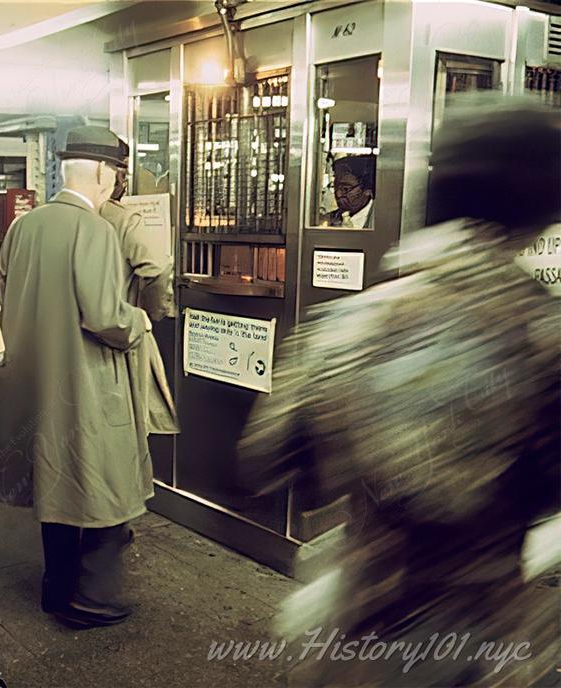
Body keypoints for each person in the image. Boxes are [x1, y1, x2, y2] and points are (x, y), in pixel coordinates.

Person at [238, 98, 560, 686]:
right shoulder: (547, 337)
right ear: (542, 213)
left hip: (360, 634)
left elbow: (265, 459)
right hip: (483, 644)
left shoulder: (353, 323)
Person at [0, 126, 152, 629]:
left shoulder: (25, 226)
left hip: (32, 379)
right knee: (103, 481)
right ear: (105, 175)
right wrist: (140, 321)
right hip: (83, 382)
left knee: (52, 484)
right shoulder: (96, 229)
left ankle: (54, 587)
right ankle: (89, 596)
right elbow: (105, 316)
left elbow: (6, 286)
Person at [99, 139, 179, 438]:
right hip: (119, 335)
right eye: (123, 173)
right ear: (111, 174)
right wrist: (148, 314)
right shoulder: (122, 219)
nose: (125, 182)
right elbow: (157, 270)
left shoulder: (43, 219)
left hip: (67, 342)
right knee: (126, 420)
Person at [323, 154, 376, 228]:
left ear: (367, 190)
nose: (338, 194)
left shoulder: (379, 220)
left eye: (345, 189)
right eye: (335, 187)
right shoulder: (326, 221)